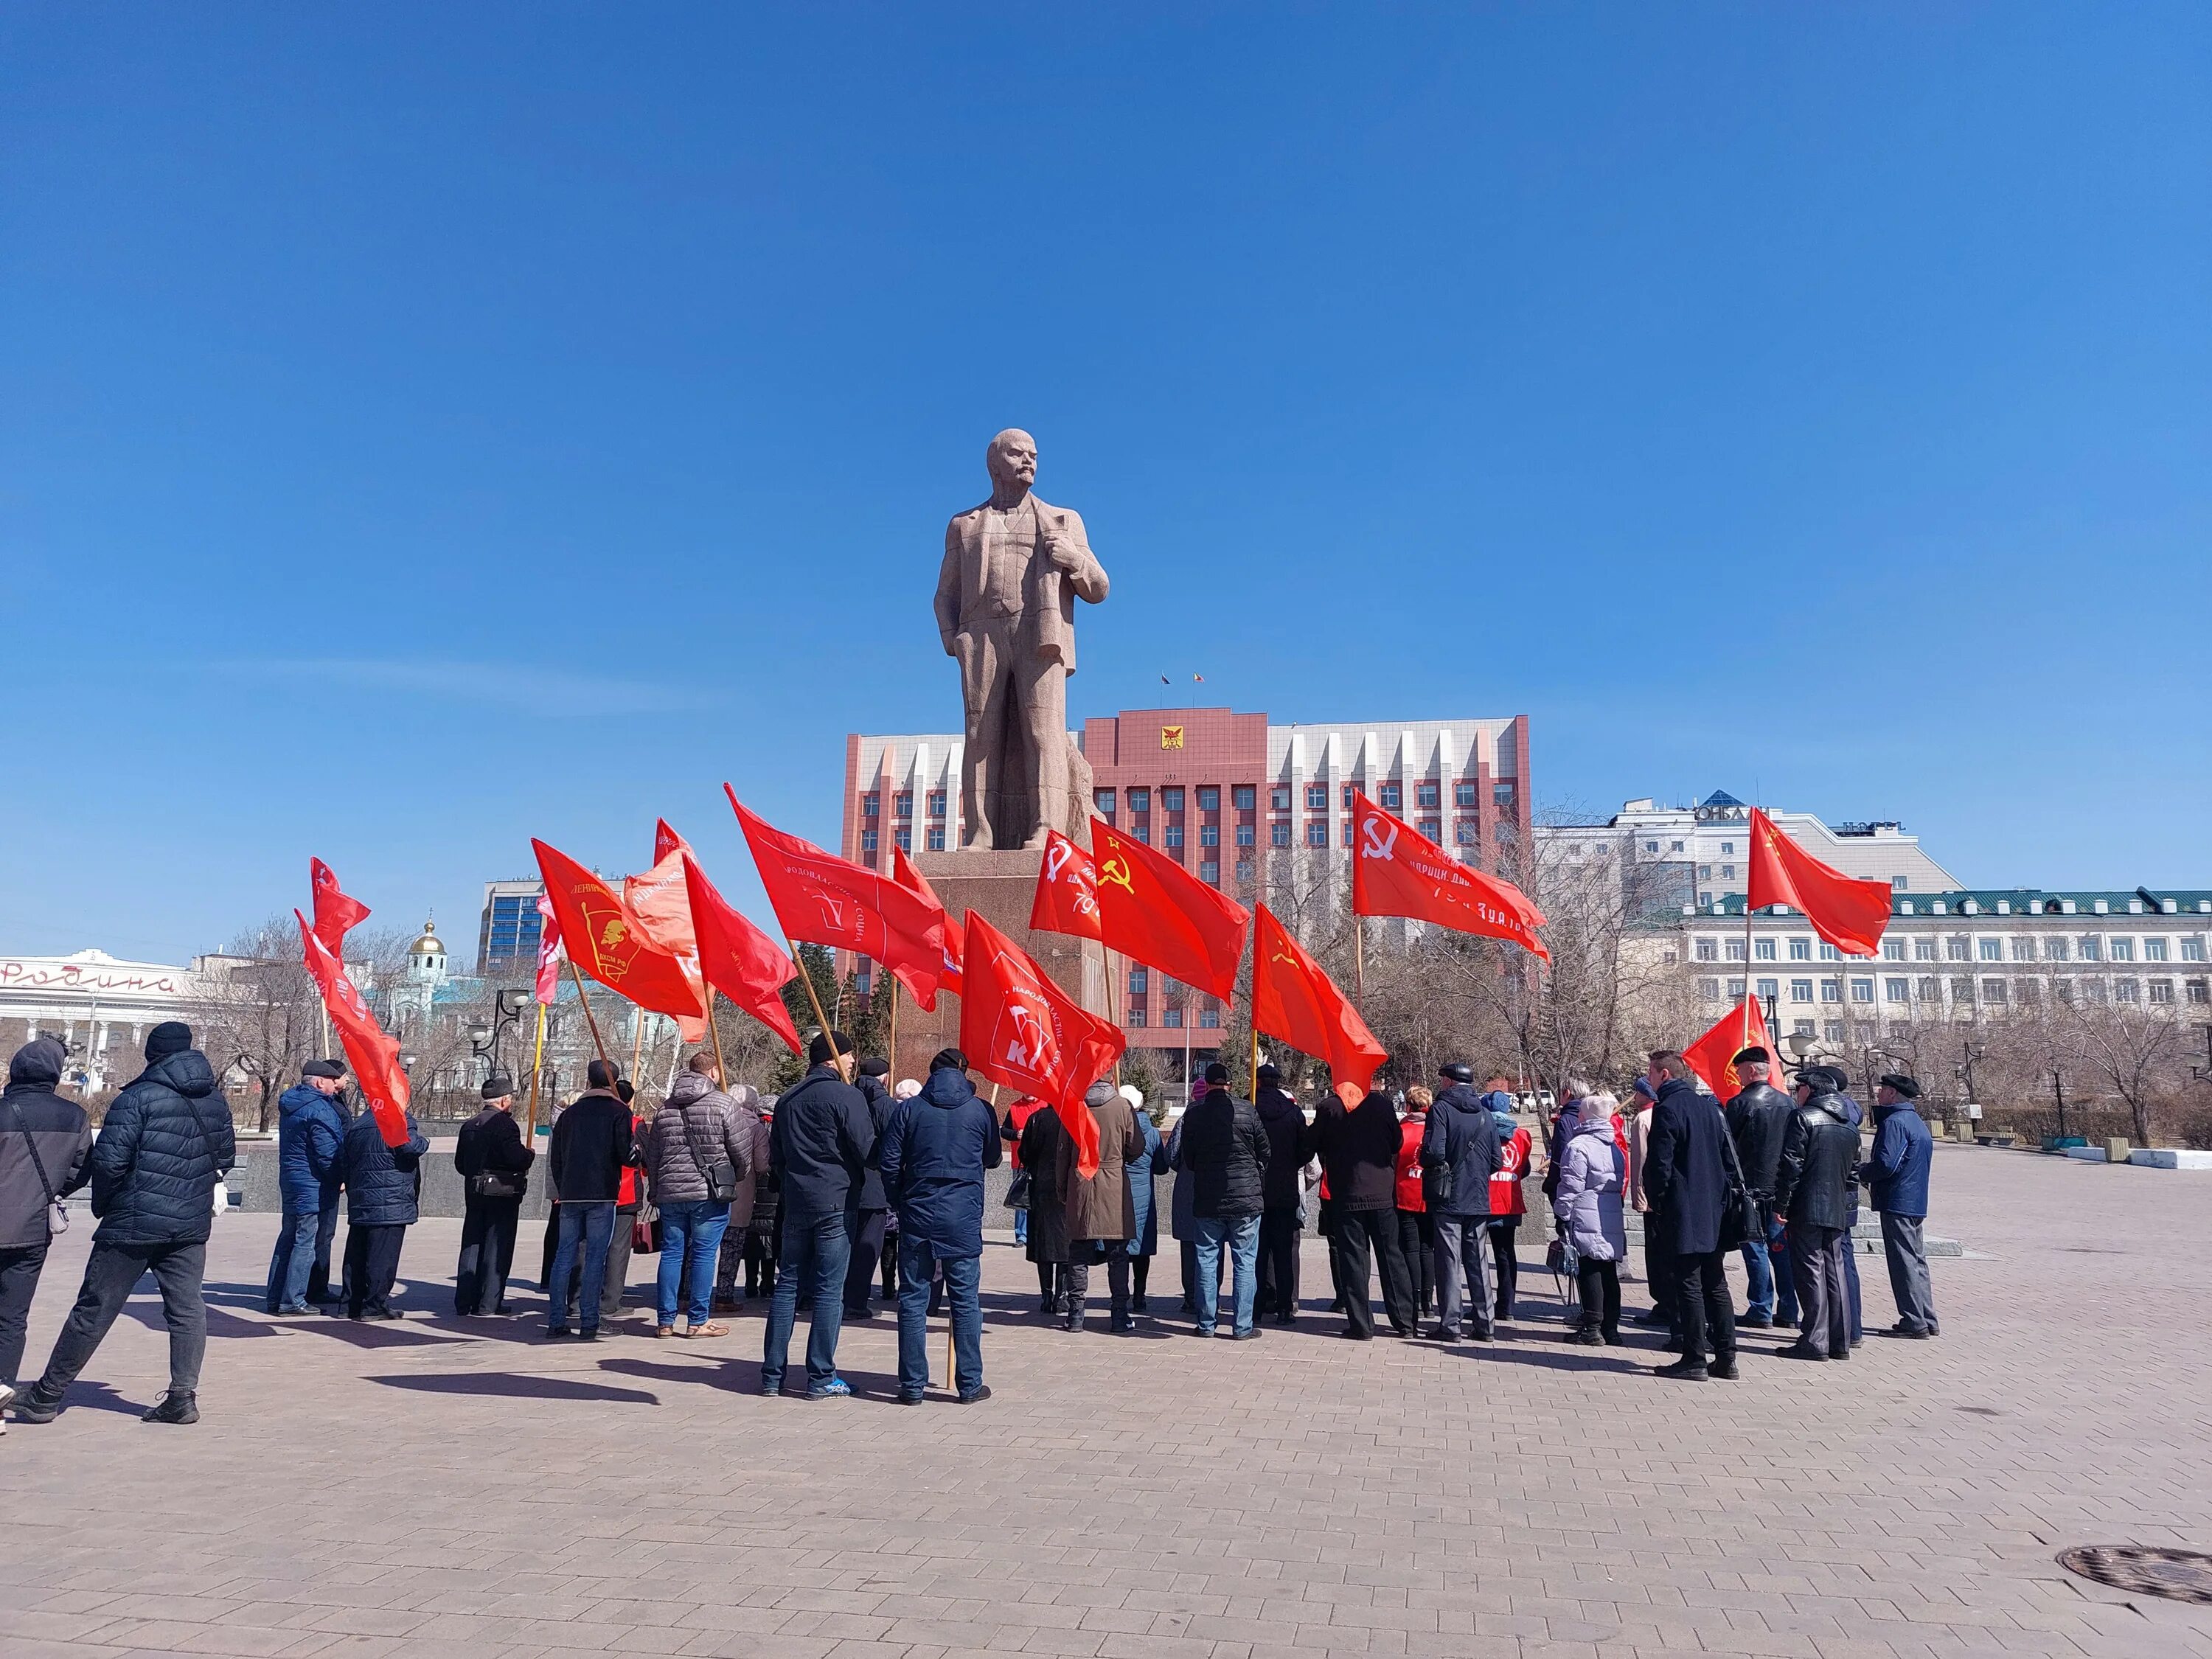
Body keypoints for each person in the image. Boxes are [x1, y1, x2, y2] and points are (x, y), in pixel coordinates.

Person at [12, 1023, 234, 1426]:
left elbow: (110, 1162)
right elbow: (226, 1158)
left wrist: (105, 1206)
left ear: (152, 1055)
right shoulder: (216, 1100)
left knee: (94, 1308)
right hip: (189, 1225)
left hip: (133, 1222)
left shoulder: (137, 1098)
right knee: (187, 1309)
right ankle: (182, 1397)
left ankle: (47, 1395)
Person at [879, 1048, 1000, 1403]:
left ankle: (913, 1385)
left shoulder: (910, 1109)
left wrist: (901, 1200)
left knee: (913, 1298)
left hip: (918, 1211)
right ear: (963, 1072)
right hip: (962, 1214)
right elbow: (992, 1158)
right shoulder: (981, 1110)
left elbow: (889, 1164)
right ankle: (969, 1384)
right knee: (965, 1300)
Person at [761, 1032, 874, 1398]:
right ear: (833, 1058)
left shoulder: (787, 1100)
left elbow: (775, 1155)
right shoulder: (846, 1096)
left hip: (796, 1200)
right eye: (849, 1055)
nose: (854, 1062)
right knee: (829, 1290)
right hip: (836, 1201)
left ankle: (772, 1376)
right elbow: (867, 1149)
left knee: (788, 1285)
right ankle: (821, 1377)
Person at [1, 1037, 94, 1415]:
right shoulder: (74, 1117)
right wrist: (49, 1191)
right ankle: (2, 1391)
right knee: (12, 1319)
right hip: (32, 1231)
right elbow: (82, 1171)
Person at [641, 1052, 757, 1340]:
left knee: (671, 1254)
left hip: (670, 1191)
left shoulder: (665, 1109)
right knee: (705, 1254)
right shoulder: (724, 1104)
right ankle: (698, 1321)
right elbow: (741, 1150)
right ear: (713, 1072)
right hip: (709, 1192)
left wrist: (655, 1190)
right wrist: (736, 1176)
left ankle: (665, 1321)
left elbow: (653, 1156)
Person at [1642, 1049, 1737, 1381]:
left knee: (1689, 1284)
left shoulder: (1667, 1110)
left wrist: (1658, 1202)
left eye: (1651, 1074)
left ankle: (1695, 1358)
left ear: (1664, 1075)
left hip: (1684, 1211)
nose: (1649, 1080)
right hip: (1714, 1208)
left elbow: (1659, 1166)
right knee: (1716, 1283)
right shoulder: (1709, 1109)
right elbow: (1728, 1158)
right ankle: (1726, 1357)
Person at [1176, 1062, 1270, 1339]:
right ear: (1228, 1084)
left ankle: (1206, 1325)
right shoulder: (1247, 1110)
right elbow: (1265, 1151)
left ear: (1206, 1084)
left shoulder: (1195, 1114)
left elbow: (1188, 1160)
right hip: (1246, 1200)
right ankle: (1242, 1327)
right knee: (1245, 1261)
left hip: (1208, 1199)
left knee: (1205, 1259)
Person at [1774, 1064, 1860, 1362]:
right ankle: (1840, 1341)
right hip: (1836, 1208)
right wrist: (1847, 1209)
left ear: (1808, 1090)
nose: (1796, 1094)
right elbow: (1853, 1175)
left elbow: (1791, 1166)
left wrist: (1781, 1206)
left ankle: (1814, 1340)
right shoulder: (1849, 1124)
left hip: (1806, 1208)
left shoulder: (1803, 1117)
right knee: (1835, 1272)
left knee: (1810, 1272)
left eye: (1798, 1089)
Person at [1317, 1079, 1415, 1340]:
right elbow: (1397, 1142)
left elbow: (1313, 1142)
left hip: (1347, 1195)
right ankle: (1405, 1322)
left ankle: (1362, 1325)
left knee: (1354, 1261)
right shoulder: (1381, 1105)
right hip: (1382, 1193)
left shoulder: (1329, 1108)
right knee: (1392, 1258)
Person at [546, 1059, 636, 1341]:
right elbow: (626, 1154)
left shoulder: (568, 1114)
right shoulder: (618, 1112)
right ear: (612, 1082)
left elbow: (556, 1159)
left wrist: (564, 1188)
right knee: (596, 1257)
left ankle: (556, 1320)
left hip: (571, 1194)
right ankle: (589, 1322)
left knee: (564, 1257)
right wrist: (638, 1153)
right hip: (601, 1193)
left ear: (588, 1080)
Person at [1420, 1062, 1501, 1343]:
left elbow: (1434, 1151)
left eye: (1442, 1078)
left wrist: (1430, 1162)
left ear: (1450, 1082)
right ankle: (1485, 1325)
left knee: (1449, 1261)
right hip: (1478, 1197)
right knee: (1478, 1261)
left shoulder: (1441, 1109)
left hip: (1449, 1197)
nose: (1440, 1083)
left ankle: (1451, 1325)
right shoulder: (1486, 1113)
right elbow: (1496, 1160)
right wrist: (1476, 1176)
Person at [1060, 1080, 1145, 1332]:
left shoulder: (1074, 1107)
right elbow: (1137, 1146)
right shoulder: (1122, 1107)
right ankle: (1119, 1316)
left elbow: (1063, 1152)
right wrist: (1119, 1157)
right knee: (1118, 1255)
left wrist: (1063, 1190)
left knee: (1078, 1253)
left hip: (1081, 1183)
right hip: (1114, 1185)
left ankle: (1076, 1315)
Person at [266, 1060, 347, 1315]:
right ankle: (293, 1300)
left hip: (292, 1181)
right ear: (320, 1081)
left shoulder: (292, 1103)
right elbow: (328, 1155)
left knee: (287, 1239)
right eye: (333, 1081)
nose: (336, 1086)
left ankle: (276, 1296)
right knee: (305, 1242)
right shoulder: (320, 1110)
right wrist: (340, 1178)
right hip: (313, 1186)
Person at [1722, 1046, 1795, 1330]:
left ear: (1751, 1070)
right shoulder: (1788, 1103)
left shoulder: (1740, 1104)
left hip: (1750, 1189)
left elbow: (1728, 1148)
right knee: (1781, 1251)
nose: (1737, 1076)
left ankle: (1761, 1308)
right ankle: (1789, 1309)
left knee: (1755, 1249)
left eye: (1739, 1070)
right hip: (1780, 1189)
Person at [338, 1097, 428, 1321]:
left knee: (356, 1254)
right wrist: (424, 1141)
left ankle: (349, 1304)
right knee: (382, 1256)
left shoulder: (360, 1123)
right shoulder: (398, 1119)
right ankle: (374, 1305)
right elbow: (411, 1147)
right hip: (390, 1199)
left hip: (361, 1197)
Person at [1865, 1073, 1939, 1339]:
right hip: (1914, 1200)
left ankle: (1913, 1321)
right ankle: (1926, 1317)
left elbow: (1886, 1164)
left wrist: (1860, 1173)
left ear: (1893, 1094)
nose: (1878, 1094)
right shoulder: (1916, 1122)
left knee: (1903, 1262)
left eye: (1882, 1090)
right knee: (1917, 1260)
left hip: (1897, 1200)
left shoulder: (1894, 1123)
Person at [453, 1074, 535, 1316]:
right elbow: (516, 1158)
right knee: (497, 1247)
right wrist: (528, 1155)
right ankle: (489, 1302)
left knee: (472, 1244)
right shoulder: (505, 1125)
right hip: (501, 1192)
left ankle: (464, 1300)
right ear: (504, 1100)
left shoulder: (469, 1124)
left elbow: (460, 1163)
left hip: (474, 1191)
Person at [1553, 1088, 1628, 1344]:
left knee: (1589, 1268)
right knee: (1608, 1269)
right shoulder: (1614, 1148)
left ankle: (1592, 1328)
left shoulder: (1579, 1147)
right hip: (1610, 1213)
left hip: (1585, 1211)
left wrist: (1562, 1214)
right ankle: (1611, 1328)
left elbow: (1570, 1185)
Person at [1253, 1064, 1308, 1325]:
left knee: (1256, 1251)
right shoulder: (1293, 1112)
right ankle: (1285, 1307)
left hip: (1255, 1189)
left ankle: (1255, 1306)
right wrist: (1290, 1164)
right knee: (1284, 1252)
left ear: (1259, 1082)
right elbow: (1306, 1151)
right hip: (1286, 1189)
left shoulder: (1248, 1108)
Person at [844, 1057, 897, 1320]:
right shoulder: (886, 1105)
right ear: (884, 1077)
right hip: (875, 1185)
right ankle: (855, 1301)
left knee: (846, 1245)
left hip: (846, 1183)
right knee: (868, 1247)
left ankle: (838, 1297)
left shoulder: (848, 1098)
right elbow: (895, 1144)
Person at [1624, 1076, 1672, 1332]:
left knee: (1655, 1251)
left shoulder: (1643, 1119)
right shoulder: (1664, 1113)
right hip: (1665, 1195)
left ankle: (1664, 1304)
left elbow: (1640, 1160)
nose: (1635, 1097)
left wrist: (1640, 1195)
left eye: (1638, 1093)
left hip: (1651, 1194)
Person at [1479, 1085, 1528, 1321]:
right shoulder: (1523, 1136)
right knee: (1506, 1253)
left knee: (1477, 1255)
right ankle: (1506, 1305)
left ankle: (1482, 1304)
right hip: (1510, 1201)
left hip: (1484, 1200)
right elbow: (1525, 1169)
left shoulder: (1481, 1132)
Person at [1120, 1084, 1164, 1313]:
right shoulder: (1153, 1133)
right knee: (1142, 1248)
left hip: (1118, 1193)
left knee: (1120, 1248)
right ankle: (1140, 1294)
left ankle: (1121, 1294)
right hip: (1144, 1196)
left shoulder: (1115, 1127)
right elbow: (1162, 1167)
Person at [1394, 1086, 1434, 1322]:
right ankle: (1428, 1301)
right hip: (1430, 1195)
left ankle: (1415, 1298)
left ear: (1408, 1106)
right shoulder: (1436, 1129)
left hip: (1405, 1194)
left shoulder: (1402, 1131)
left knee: (1410, 1248)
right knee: (1427, 1249)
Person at [1001, 1095, 1049, 1296]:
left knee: (1038, 1201)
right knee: (1022, 1200)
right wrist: (1016, 1134)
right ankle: (1021, 1235)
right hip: (1019, 1161)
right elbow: (1004, 1130)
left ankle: (1036, 1230)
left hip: (1041, 1161)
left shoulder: (1044, 1105)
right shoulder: (1013, 1107)